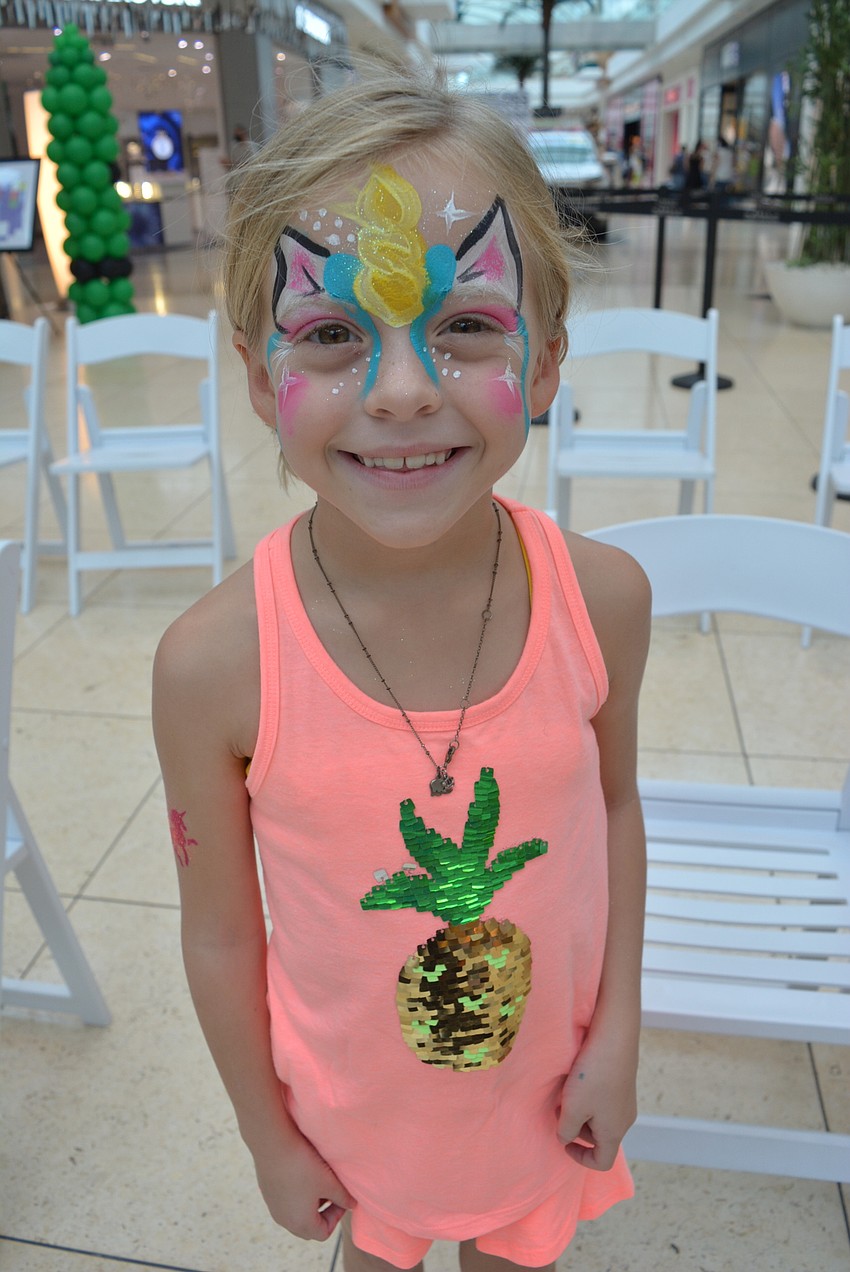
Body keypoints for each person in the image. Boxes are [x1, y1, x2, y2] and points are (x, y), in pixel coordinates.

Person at [153, 65, 650, 1272]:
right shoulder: (214, 667)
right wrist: (267, 1137)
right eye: (329, 337)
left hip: (541, 1095)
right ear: (263, 376)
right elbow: (221, 937)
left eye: (467, 325)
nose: (406, 392)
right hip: (349, 1121)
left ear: (541, 361)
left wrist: (621, 1030)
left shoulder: (601, 601)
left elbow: (616, 808)